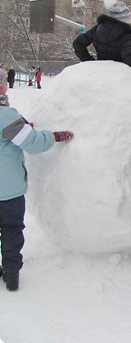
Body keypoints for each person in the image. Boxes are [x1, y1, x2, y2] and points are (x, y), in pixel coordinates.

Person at [0, 68, 74, 291]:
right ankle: (11, 274)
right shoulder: (6, 116)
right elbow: (32, 144)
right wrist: (55, 136)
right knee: (11, 228)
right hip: (8, 191)